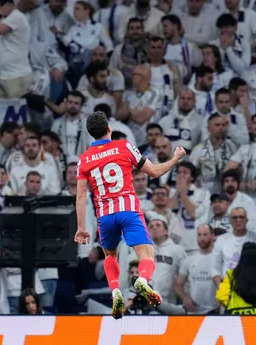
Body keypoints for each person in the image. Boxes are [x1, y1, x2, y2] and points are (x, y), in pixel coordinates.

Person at [74, 110, 186, 319]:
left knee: (110, 256)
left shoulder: (84, 160)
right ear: (109, 129)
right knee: (147, 255)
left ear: (91, 134)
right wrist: (175, 158)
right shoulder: (124, 146)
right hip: (128, 210)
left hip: (105, 215)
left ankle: (116, 291)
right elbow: (154, 172)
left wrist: (81, 227)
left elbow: (80, 197)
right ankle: (142, 281)